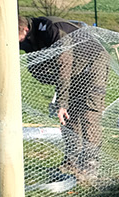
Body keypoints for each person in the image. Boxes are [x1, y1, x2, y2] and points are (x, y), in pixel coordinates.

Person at [18, 16, 109, 179]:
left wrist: (61, 102)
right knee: (70, 116)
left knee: (88, 113)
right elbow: (38, 66)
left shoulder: (52, 29)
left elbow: (63, 64)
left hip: (93, 61)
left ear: (24, 29)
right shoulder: (28, 39)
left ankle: (90, 164)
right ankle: (72, 161)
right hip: (73, 69)